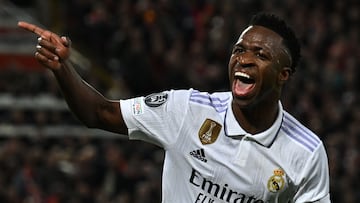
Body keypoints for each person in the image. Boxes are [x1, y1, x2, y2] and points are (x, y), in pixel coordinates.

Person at [18, 13, 331, 202]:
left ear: (283, 75)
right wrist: (62, 68)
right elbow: (99, 113)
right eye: (239, 50)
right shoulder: (187, 111)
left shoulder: (305, 153)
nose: (244, 59)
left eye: (260, 54)